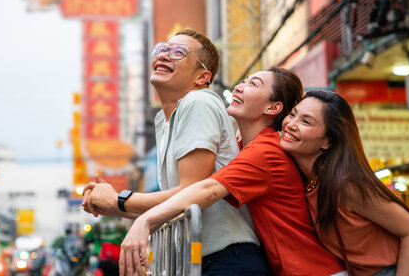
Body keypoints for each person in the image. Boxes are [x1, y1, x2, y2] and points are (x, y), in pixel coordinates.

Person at [118, 68, 347, 276]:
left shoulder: (265, 152)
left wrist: (144, 220)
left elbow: (207, 190)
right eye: (244, 80)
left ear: (272, 108)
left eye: (253, 84)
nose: (239, 86)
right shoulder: (244, 147)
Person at [83, 29, 268, 275]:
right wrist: (109, 202)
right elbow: (176, 203)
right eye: (161, 49)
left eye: (178, 52)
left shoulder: (198, 101)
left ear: (202, 76)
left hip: (228, 260)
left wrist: (118, 200)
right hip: (207, 262)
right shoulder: (166, 120)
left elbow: (191, 191)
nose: (164, 56)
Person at [280, 90, 409, 276]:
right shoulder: (311, 181)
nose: (291, 124)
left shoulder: (345, 184)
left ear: (327, 142)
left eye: (306, 121)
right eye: (292, 115)